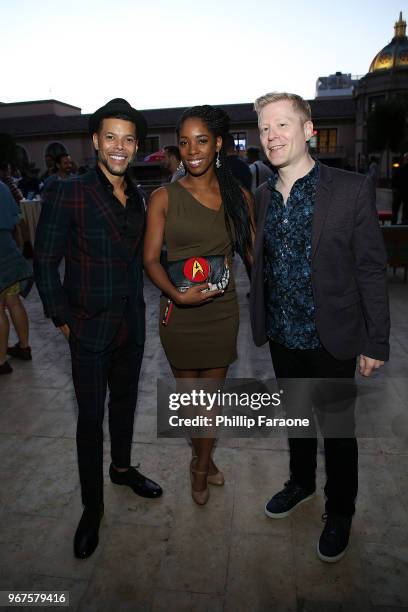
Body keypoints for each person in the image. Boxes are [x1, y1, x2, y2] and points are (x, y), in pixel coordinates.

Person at [250, 92, 390, 562]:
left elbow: (371, 268)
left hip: (332, 336)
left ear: (308, 130)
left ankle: (341, 510)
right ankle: (301, 483)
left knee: (337, 428)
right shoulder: (262, 197)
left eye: (283, 125)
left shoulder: (349, 189)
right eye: (265, 128)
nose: (272, 136)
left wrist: (376, 339)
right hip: (281, 333)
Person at [34, 98, 163, 560]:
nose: (119, 147)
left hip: (132, 327)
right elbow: (45, 263)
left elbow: (144, 258)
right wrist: (63, 321)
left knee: (125, 403)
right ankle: (92, 509)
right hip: (87, 330)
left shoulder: (140, 195)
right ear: (94, 141)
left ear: (136, 147)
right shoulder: (67, 191)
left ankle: (123, 468)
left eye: (128, 139)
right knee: (90, 420)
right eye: (110, 137)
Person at [144, 105, 253, 505]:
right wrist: (175, 294)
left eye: (202, 141)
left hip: (221, 314)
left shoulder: (238, 197)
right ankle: (203, 456)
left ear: (218, 144)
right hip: (178, 315)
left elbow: (254, 256)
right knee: (191, 404)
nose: (192, 150)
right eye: (185, 142)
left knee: (211, 402)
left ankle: (200, 466)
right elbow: (150, 259)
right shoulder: (162, 197)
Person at [0, 181, 32, 374]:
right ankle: (24, 346)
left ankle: (1, 360)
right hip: (8, 248)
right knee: (13, 301)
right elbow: (18, 218)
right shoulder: (2, 186)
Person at [392, 153, 408, 224]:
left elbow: (394, 180)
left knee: (395, 208)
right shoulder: (401, 169)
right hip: (405, 191)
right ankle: (404, 222)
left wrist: (394, 188)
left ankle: (394, 223)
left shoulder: (400, 169)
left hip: (399, 191)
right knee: (405, 209)